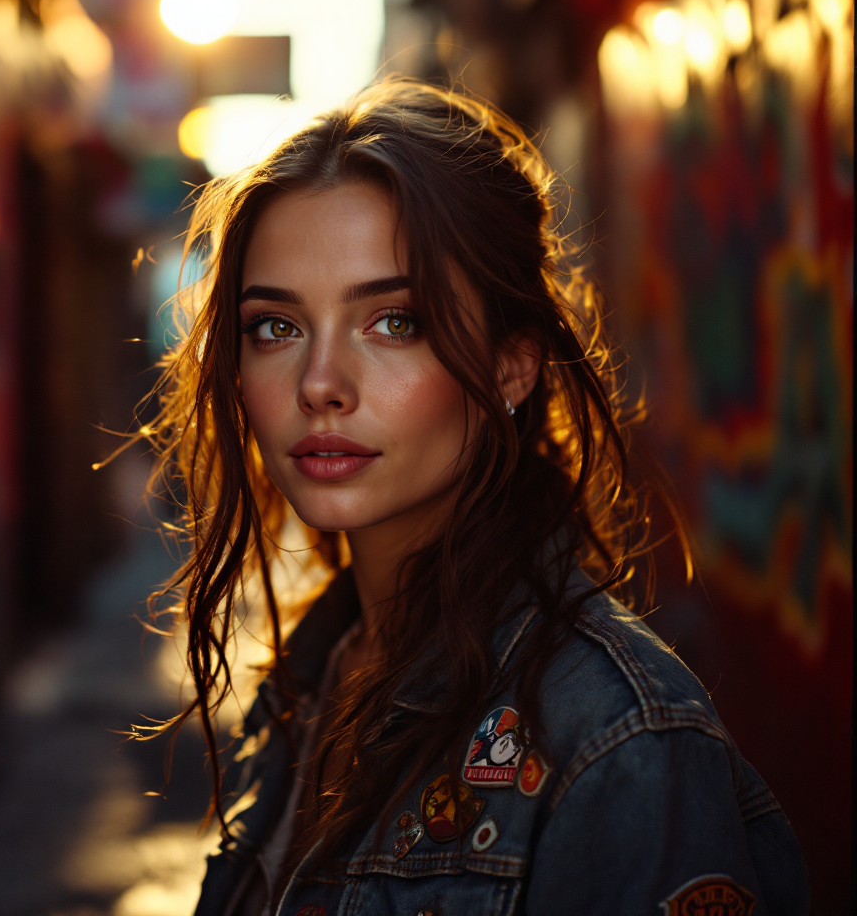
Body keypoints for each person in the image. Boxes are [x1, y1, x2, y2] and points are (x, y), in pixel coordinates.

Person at [141, 80, 809, 915]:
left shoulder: (617, 737)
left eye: (395, 321)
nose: (320, 384)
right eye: (276, 327)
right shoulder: (310, 683)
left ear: (512, 366)